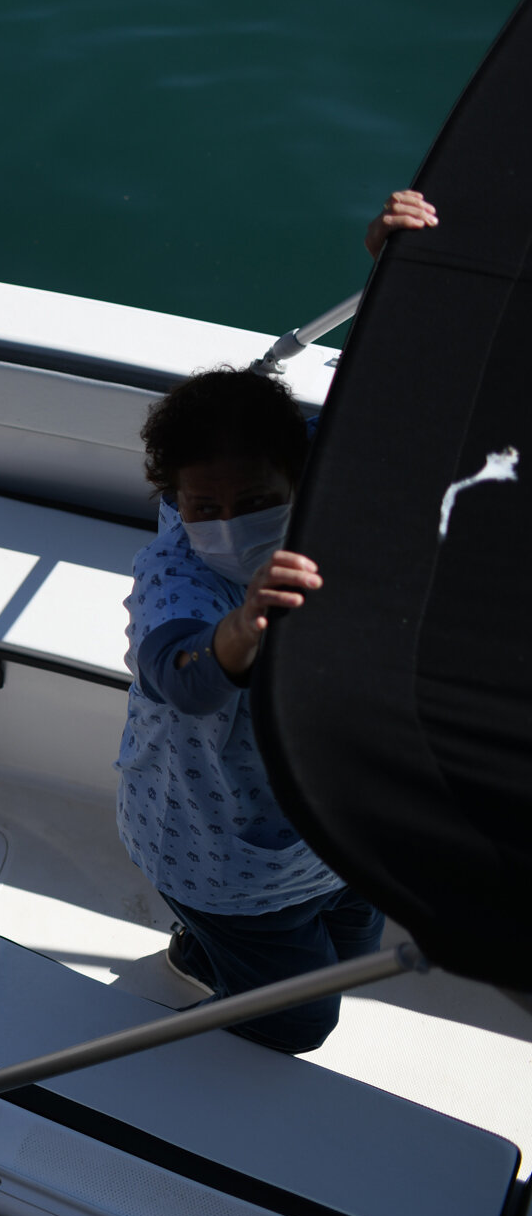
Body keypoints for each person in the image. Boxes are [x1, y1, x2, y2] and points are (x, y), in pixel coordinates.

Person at [117, 368, 376, 1052]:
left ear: (300, 477)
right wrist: (243, 627)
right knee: (300, 1019)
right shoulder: (175, 575)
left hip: (339, 837)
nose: (229, 524)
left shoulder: (329, 491)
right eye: (204, 506)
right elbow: (182, 675)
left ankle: (202, 953)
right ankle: (213, 972)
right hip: (226, 865)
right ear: (173, 497)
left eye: (257, 500)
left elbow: (382, 408)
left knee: (355, 950)